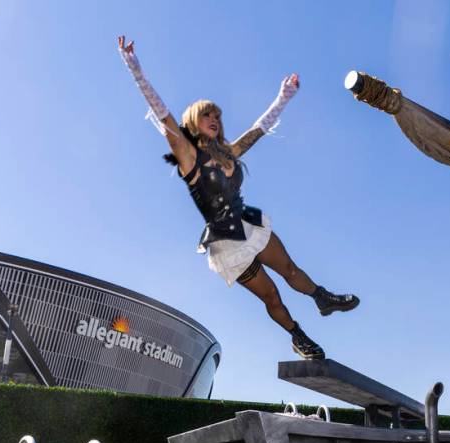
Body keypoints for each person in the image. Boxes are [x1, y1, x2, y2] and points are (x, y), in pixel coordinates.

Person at [117, 35, 359, 360]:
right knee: (271, 295)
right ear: (193, 123)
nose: (214, 119)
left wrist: (283, 97)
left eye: (216, 115)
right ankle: (298, 336)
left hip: (248, 222)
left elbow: (259, 129)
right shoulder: (188, 156)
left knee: (289, 268)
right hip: (227, 243)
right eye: (206, 116)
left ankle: (322, 298)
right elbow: (163, 115)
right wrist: (135, 69)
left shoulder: (229, 151)